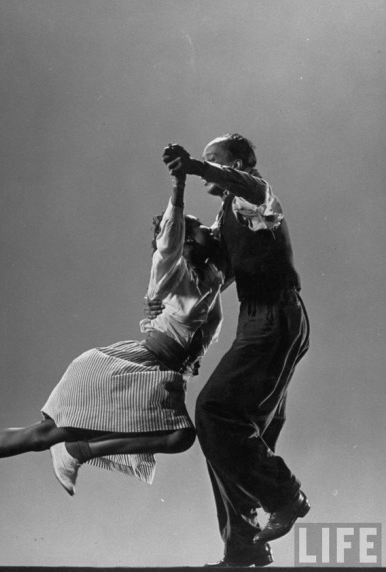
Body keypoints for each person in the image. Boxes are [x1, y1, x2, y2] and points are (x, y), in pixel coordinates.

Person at [0, 172, 226, 498]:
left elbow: (222, 238)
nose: (207, 230)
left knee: (178, 437)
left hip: (160, 374)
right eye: (197, 227)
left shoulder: (210, 278)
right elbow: (169, 240)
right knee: (42, 435)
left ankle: (79, 450)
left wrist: (228, 198)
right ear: (184, 237)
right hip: (128, 368)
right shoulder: (170, 268)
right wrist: (179, 184)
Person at [151, 136, 310, 567]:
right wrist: (180, 241)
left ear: (236, 164)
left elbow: (242, 186)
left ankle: (286, 495)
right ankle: (244, 549)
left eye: (213, 159)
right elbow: (210, 277)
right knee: (233, 440)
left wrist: (195, 169)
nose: (207, 164)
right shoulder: (227, 214)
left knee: (215, 413)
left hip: (275, 317)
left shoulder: (256, 193)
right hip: (258, 321)